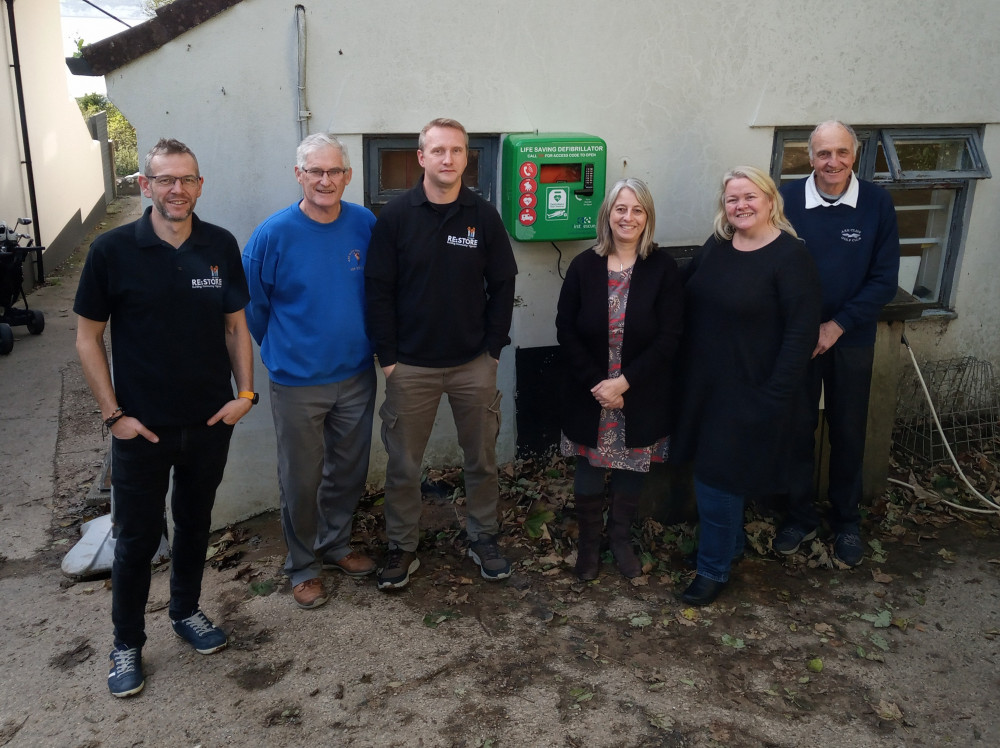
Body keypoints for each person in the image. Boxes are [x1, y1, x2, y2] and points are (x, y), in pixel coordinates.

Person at [74, 138, 255, 697]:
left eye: (188, 180)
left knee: (196, 525)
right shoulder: (112, 251)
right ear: (145, 185)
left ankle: (185, 612)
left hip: (207, 424)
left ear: (200, 185)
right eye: (165, 180)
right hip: (141, 429)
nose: (177, 190)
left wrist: (243, 395)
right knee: (136, 539)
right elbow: (87, 338)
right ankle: (126, 643)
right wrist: (114, 417)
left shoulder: (220, 244)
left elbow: (235, 327)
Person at [365, 117, 518, 590]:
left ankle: (483, 537)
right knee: (404, 465)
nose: (448, 159)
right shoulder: (394, 218)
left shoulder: (483, 215)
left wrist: (492, 350)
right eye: (438, 151)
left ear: (466, 157)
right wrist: (388, 359)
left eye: (457, 151)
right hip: (410, 366)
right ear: (421, 157)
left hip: (473, 364)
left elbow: (503, 282)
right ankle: (402, 547)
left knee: (482, 458)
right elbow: (377, 291)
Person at [672, 166, 821, 606]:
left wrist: (774, 396)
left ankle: (713, 569)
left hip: (753, 389)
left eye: (749, 197)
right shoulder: (718, 247)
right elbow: (684, 290)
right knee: (721, 472)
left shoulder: (792, 258)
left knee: (716, 477)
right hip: (706, 384)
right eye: (732, 199)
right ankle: (729, 548)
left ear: (771, 200)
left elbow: (800, 335)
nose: (741, 206)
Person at [243, 134, 377, 611]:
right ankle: (302, 566)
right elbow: (252, 308)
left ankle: (336, 544)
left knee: (348, 470)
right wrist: (286, 348)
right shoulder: (272, 235)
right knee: (300, 479)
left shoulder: (365, 224)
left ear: (347, 176)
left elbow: (380, 291)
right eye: (315, 171)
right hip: (298, 381)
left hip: (358, 374)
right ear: (299, 174)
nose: (325, 180)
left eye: (334, 171)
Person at [775, 121, 900, 567]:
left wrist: (838, 325)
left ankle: (847, 522)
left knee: (848, 431)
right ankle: (798, 516)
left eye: (841, 153)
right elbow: (770, 265)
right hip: (797, 339)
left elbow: (885, 279)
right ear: (810, 157)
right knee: (796, 429)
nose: (833, 162)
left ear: (855, 156)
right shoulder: (786, 200)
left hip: (851, 336)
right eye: (824, 153)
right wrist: (802, 327)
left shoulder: (877, 203)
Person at [555, 178, 683, 580]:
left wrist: (625, 382)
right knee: (590, 466)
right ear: (607, 215)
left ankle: (621, 539)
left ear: (648, 218)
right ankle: (589, 547)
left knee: (633, 465)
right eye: (620, 209)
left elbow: (670, 335)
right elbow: (566, 330)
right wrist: (600, 384)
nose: (628, 217)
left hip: (640, 390)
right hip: (589, 390)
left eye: (637, 210)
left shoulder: (662, 269)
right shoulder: (583, 265)